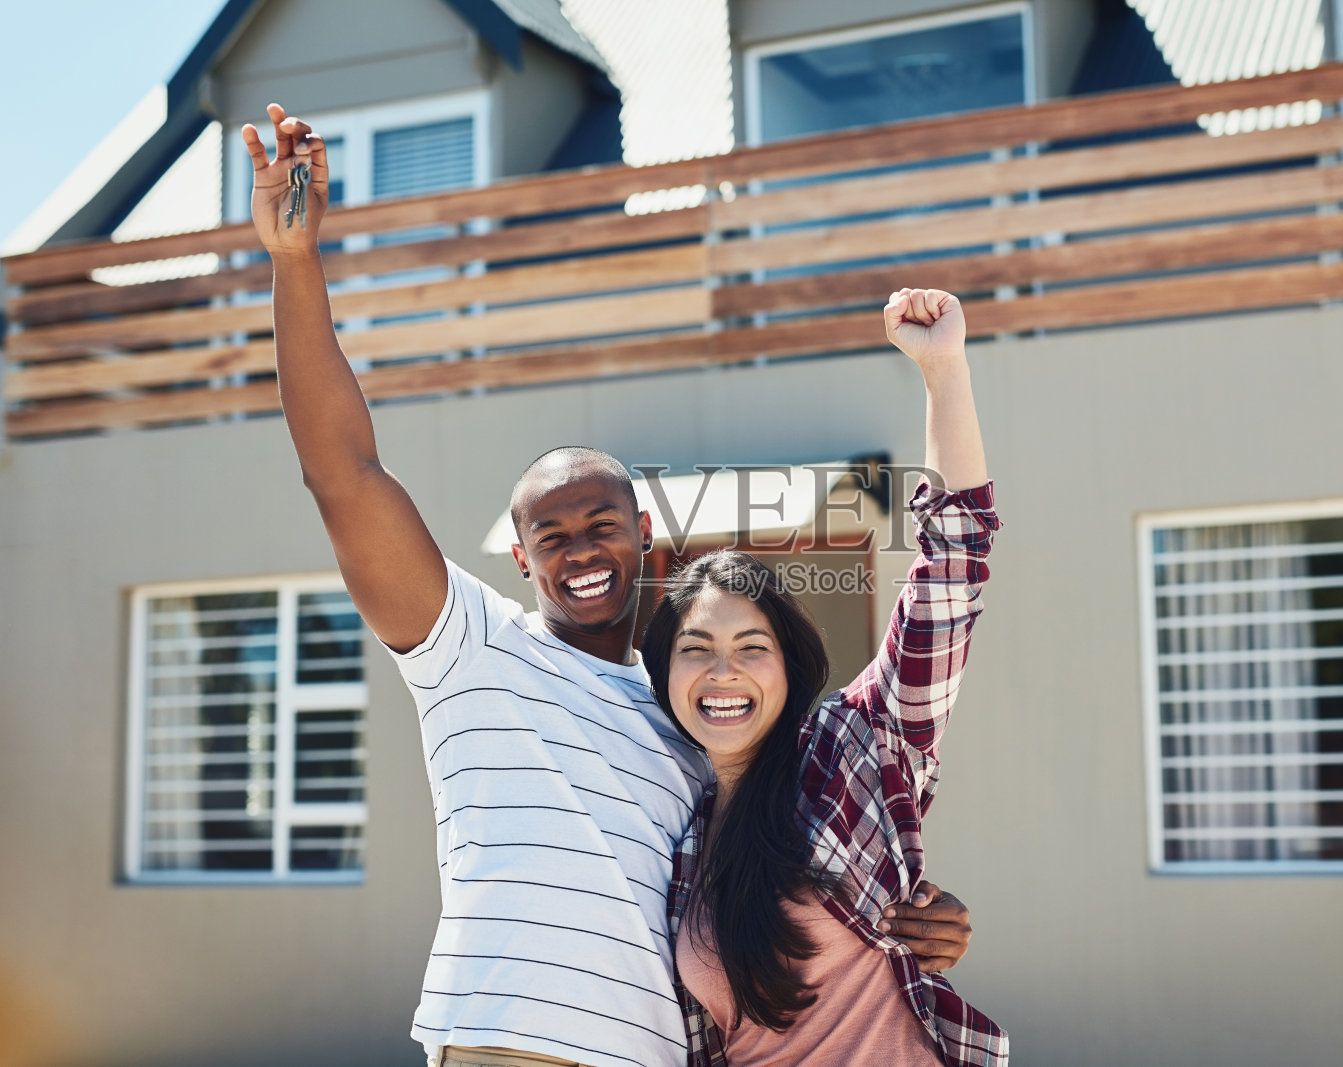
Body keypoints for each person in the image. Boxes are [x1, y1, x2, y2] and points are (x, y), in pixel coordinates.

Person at [242, 105, 978, 1067]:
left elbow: (792, 871)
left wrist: (917, 909)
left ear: (644, 534)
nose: (579, 549)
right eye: (550, 533)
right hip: (507, 1045)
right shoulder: (471, 649)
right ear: (518, 553)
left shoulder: (697, 725)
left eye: (601, 524)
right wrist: (295, 262)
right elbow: (344, 473)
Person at [641, 288, 1008, 1066]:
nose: (723, 672)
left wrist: (944, 373)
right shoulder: (679, 828)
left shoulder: (856, 748)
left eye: (751, 646)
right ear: (665, 671)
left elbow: (949, 570)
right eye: (696, 647)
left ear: (790, 663)